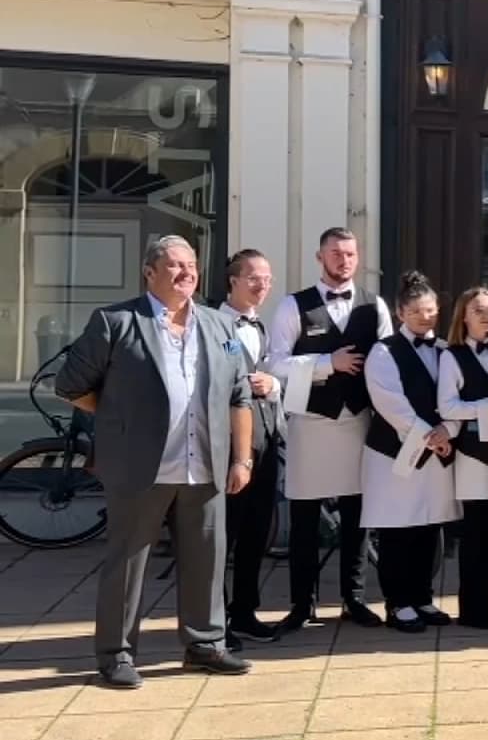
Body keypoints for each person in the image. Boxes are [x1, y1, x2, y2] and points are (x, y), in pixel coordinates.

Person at [56, 235, 254, 688]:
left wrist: (241, 458)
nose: (186, 273)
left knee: (207, 557)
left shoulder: (219, 327)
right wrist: (117, 419)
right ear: (149, 273)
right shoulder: (116, 322)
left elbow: (239, 393)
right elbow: (69, 384)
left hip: (205, 465)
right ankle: (116, 654)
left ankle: (204, 644)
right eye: (174, 266)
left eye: (192, 266)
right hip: (139, 467)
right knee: (127, 562)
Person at [268, 227, 392, 634]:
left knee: (359, 518)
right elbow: (275, 365)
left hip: (358, 422)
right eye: (336, 253)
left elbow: (391, 363)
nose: (344, 261)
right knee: (304, 519)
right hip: (311, 422)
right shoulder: (293, 305)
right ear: (319, 257)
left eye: (351, 254)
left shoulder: (375, 306)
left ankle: (354, 599)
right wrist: (326, 364)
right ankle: (302, 604)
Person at [361, 272, 458, 632]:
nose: (425, 317)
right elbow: (391, 403)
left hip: (436, 452)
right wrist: (427, 435)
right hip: (394, 455)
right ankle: (397, 602)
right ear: (401, 312)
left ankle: (423, 596)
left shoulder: (447, 350)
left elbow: (455, 400)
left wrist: (449, 430)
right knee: (398, 529)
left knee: (429, 527)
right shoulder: (383, 351)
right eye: (417, 311)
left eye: (430, 310)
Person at [437, 286, 488, 629]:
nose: (486, 316)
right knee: (474, 535)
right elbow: (448, 406)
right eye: (478, 310)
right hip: (473, 456)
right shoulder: (453, 356)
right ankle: (471, 608)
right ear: (463, 316)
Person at [219, 249, 283, 645]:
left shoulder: (262, 326)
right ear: (233, 281)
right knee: (221, 535)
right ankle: (214, 621)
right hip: (228, 444)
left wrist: (272, 384)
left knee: (257, 533)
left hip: (266, 439)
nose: (263, 286)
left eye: (268, 279)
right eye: (255, 278)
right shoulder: (213, 323)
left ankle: (244, 611)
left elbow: (274, 374)